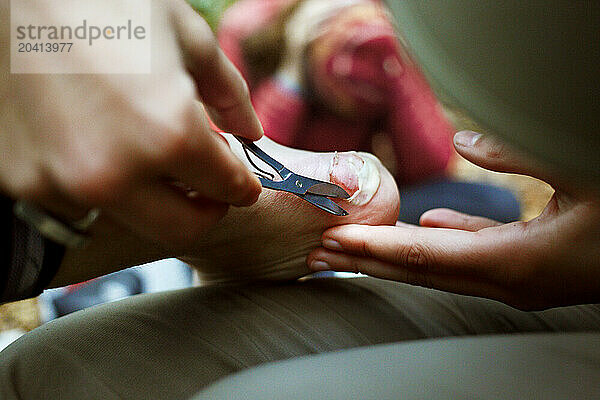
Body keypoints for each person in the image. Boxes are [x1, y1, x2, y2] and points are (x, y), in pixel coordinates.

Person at [1, 1, 599, 400]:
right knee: (42, 370)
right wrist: (293, 74)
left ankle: (201, 215)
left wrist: (389, 68)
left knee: (44, 374)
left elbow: (428, 162)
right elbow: (236, 123)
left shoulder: (375, 33)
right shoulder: (249, 26)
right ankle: (223, 211)